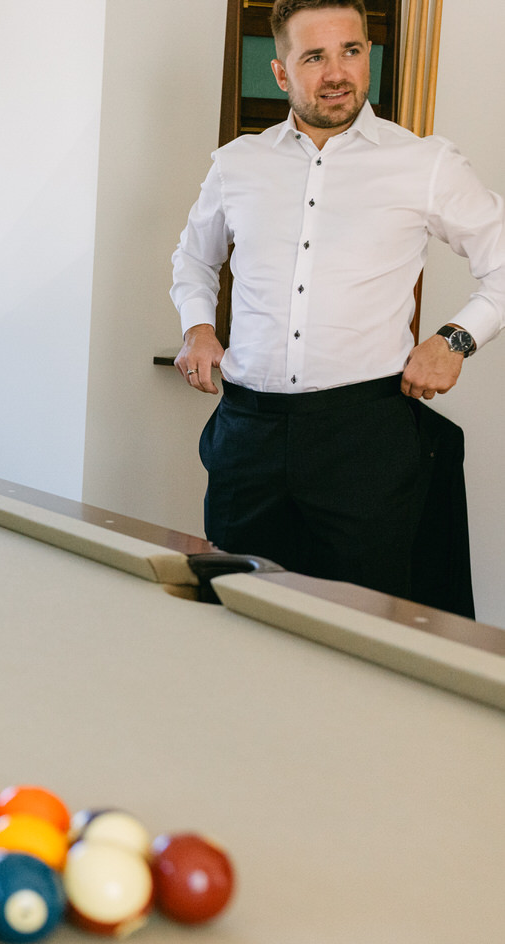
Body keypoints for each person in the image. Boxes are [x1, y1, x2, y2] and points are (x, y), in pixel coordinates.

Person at [170, 0, 505, 604]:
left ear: (368, 55)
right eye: (314, 56)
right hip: (248, 435)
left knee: (366, 630)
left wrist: (456, 338)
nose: (337, 72)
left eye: (351, 51)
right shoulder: (236, 164)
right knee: (235, 615)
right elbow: (194, 258)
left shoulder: (423, 162)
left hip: (365, 438)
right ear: (281, 73)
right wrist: (198, 327)